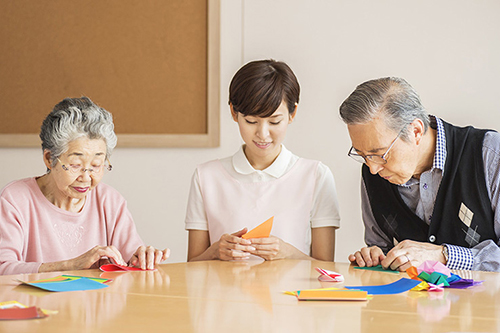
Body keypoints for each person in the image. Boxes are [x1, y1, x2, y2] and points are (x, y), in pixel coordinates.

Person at [339, 77, 500, 272]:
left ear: (415, 130)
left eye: (379, 154)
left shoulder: (489, 154)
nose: (372, 168)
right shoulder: (373, 173)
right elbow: (381, 248)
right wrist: (374, 256)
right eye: (362, 155)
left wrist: (443, 255)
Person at [185, 59, 340, 262]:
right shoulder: (207, 177)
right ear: (233, 112)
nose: (262, 134)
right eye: (251, 121)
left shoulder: (315, 176)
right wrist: (216, 251)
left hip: (290, 294)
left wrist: (288, 253)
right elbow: (192, 268)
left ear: (292, 113)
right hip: (222, 294)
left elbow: (326, 270)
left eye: (274, 121)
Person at [0, 97, 169, 275]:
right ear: (50, 159)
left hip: (95, 302)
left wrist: (142, 257)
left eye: (96, 165)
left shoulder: (109, 201)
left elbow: (129, 261)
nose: (86, 177)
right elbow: (3, 269)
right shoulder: (15, 199)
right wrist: (71, 265)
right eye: (75, 165)